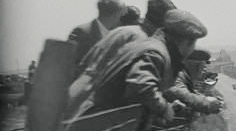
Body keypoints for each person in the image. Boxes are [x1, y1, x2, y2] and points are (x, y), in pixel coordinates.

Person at [66, 9, 208, 123]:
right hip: (94, 126)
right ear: (186, 43)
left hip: (95, 120)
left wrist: (159, 109)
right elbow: (141, 86)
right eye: (193, 44)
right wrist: (164, 109)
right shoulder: (156, 53)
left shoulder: (151, 45)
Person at [68, 0, 127, 65]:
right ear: (117, 14)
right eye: (123, 14)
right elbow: (68, 61)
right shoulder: (82, 32)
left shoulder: (116, 35)